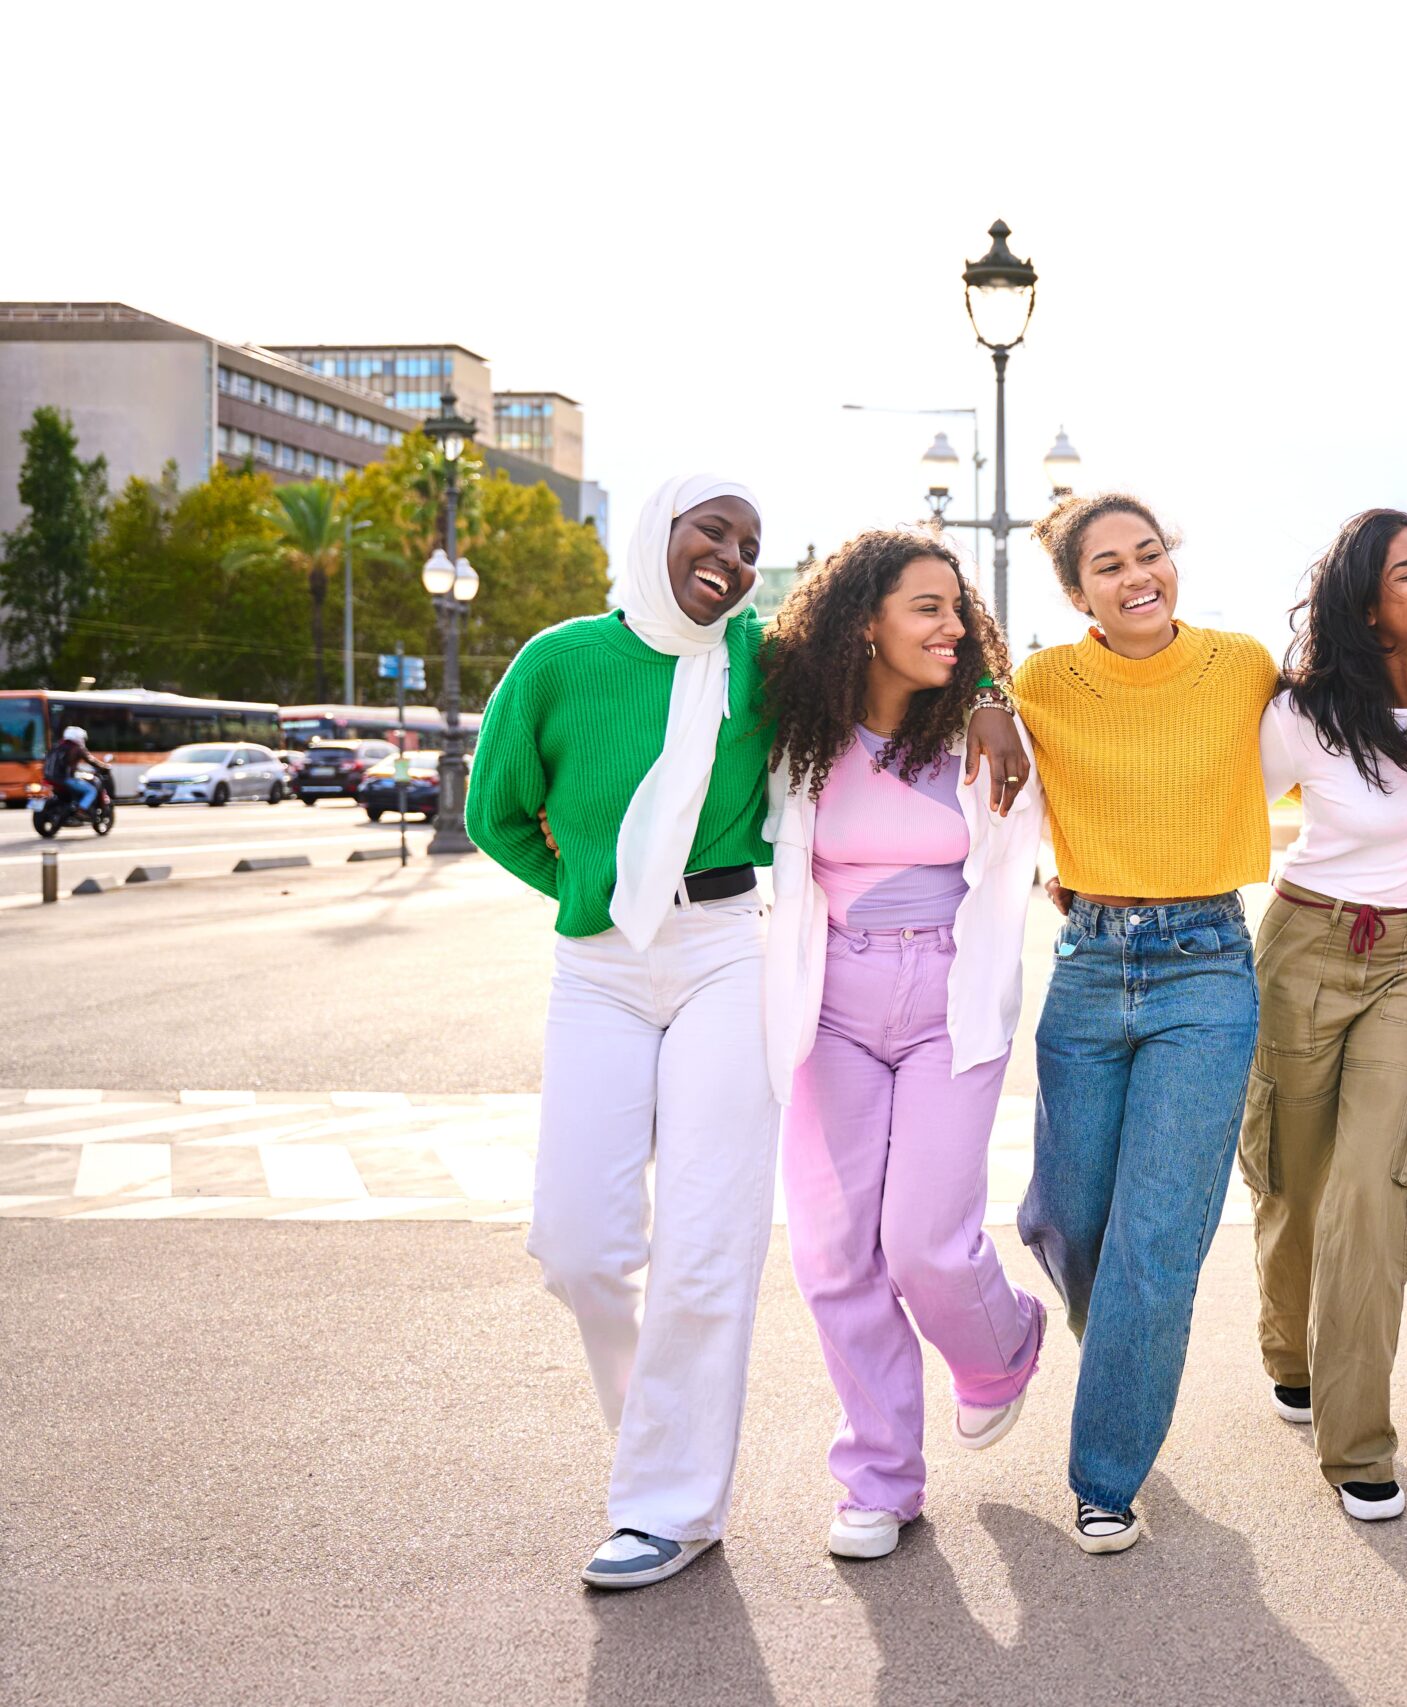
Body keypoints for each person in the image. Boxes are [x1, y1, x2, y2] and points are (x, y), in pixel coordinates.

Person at [466, 474, 784, 1591]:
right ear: (661, 529)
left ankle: (669, 1504)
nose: (732, 557)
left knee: (708, 1239)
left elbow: (905, 644)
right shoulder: (558, 660)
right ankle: (659, 1430)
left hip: (729, 949)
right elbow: (494, 810)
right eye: (714, 529)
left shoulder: (763, 662)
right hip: (597, 963)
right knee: (580, 1248)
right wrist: (589, 887)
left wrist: (986, 685)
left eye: (749, 545)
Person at [760, 530, 1048, 1563]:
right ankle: (879, 1478)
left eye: (956, 608)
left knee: (925, 1240)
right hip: (828, 999)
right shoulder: (796, 725)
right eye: (925, 607)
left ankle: (1001, 1343)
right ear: (862, 622)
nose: (952, 626)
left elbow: (1043, 848)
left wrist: (993, 698)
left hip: (948, 997)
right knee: (835, 1253)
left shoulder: (982, 732)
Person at [1011, 492, 1276, 1554]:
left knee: (1156, 1241)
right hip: (1088, 968)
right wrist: (988, 693)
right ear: (1077, 594)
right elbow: (969, 697)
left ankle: (1105, 1474)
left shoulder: (1241, 666)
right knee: (1074, 1222)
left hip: (1207, 968)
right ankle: (1126, 1341)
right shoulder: (1041, 683)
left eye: (1150, 554)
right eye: (1109, 566)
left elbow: (1351, 704)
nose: (1138, 577)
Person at [1248, 508, 1407, 1523]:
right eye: (1406, 572)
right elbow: (1218, 810)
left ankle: (1357, 1443)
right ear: (1365, 607)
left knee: (1370, 1191)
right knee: (1291, 1182)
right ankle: (1288, 1348)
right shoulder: (1302, 712)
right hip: (1303, 944)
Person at [42, 725, 101, 815]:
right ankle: (81, 810)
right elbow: (91, 760)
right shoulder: (76, 748)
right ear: (78, 737)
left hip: (48, 778)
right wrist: (104, 766)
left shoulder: (56, 747)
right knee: (91, 790)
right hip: (64, 779)